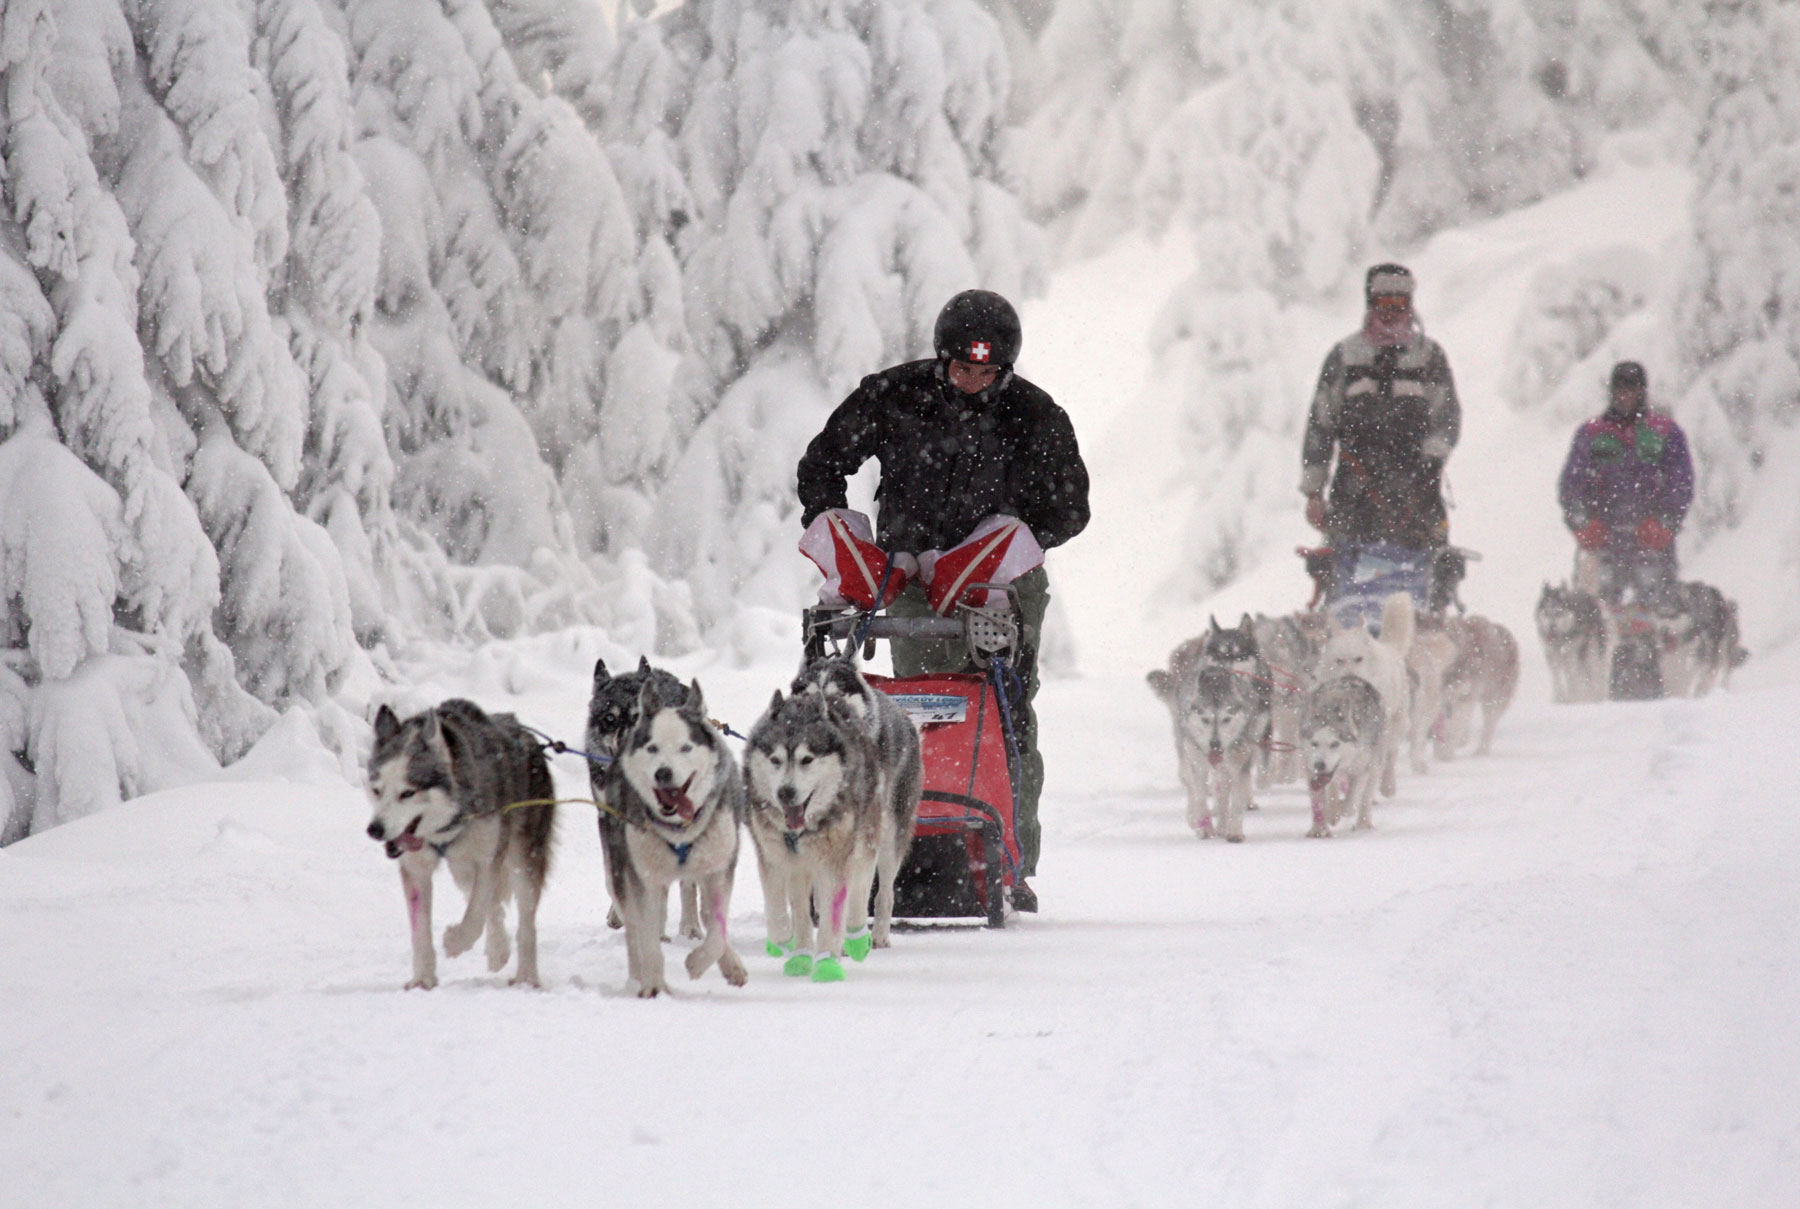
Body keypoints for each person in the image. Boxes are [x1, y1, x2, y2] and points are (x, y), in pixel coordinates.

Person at [795, 289, 1090, 912]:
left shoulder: (1035, 414)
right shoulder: (893, 395)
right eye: (962, 369)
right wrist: (842, 533)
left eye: (988, 373)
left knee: (1008, 713)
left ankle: (1009, 859)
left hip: (1002, 586)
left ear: (1005, 369)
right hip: (912, 580)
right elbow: (822, 462)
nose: (973, 382)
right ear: (940, 359)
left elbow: (1072, 506)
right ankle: (920, 850)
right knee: (921, 713)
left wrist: (1007, 545)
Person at [1300, 263, 1464, 610]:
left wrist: (1431, 461)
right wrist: (1314, 492)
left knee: (1426, 598)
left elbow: (1447, 418)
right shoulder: (1344, 357)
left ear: (1410, 305)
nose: (1392, 312)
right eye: (1384, 303)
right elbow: (1320, 424)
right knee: (1346, 596)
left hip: (1418, 495)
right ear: (1370, 303)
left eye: (1399, 303)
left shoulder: (1429, 357)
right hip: (1353, 496)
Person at [1557, 360, 1693, 606]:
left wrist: (1664, 522)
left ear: (1643, 392)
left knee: (1657, 611)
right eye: (1621, 390)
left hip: (1650, 540)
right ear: (1612, 392)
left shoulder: (1664, 433)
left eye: (1632, 390)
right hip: (1603, 539)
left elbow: (1680, 482)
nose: (1626, 397)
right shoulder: (1592, 434)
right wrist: (1583, 523)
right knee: (1594, 609)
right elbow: (1572, 485)